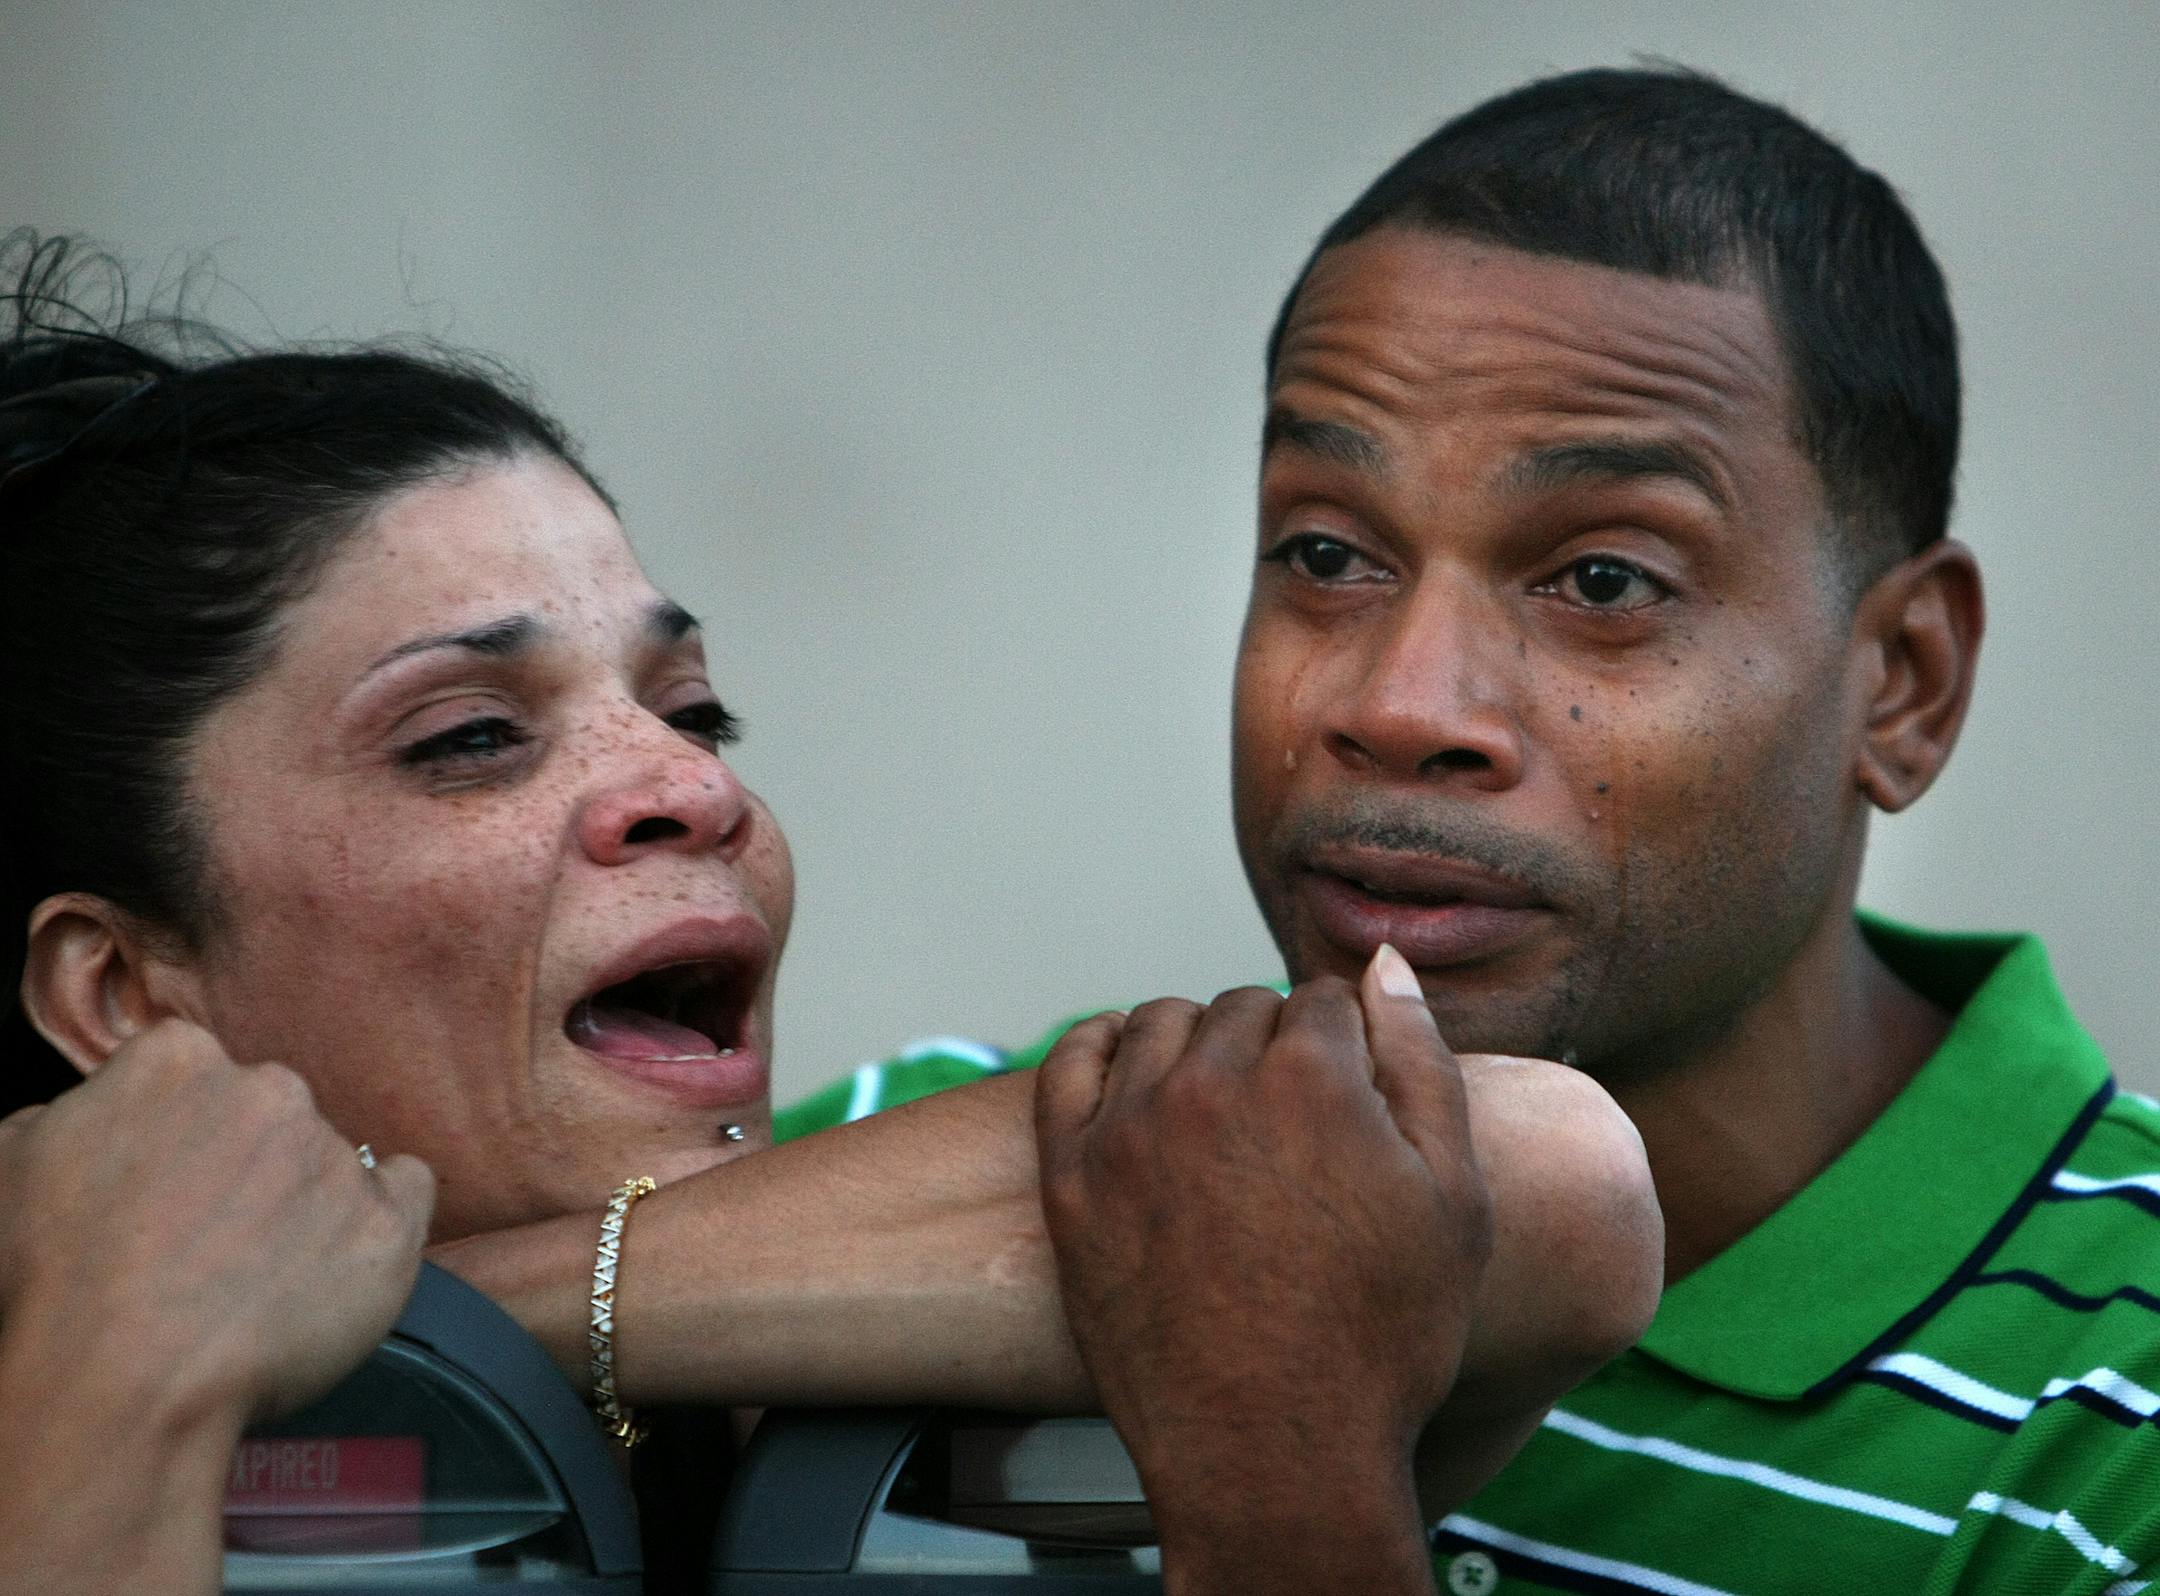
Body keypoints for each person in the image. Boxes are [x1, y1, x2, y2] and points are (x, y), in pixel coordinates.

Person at [0, 233, 1660, 1596]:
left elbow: (1555, 1186)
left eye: (693, 712)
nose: (691, 790)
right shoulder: (60, 1392)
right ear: (123, 992)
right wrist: (110, 1390)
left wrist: (425, 1300)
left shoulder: (870, 1286)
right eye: (471, 740)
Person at [806, 65, 2160, 1593]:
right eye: (1327, 552)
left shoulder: (2118, 1431)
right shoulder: (991, 1163)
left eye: (1601, 581)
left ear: (1901, 684)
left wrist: (1277, 1460)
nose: (1401, 703)